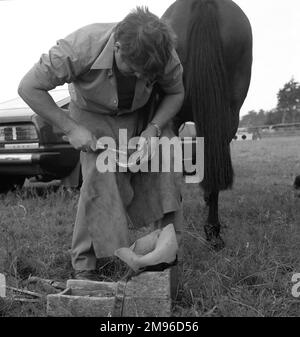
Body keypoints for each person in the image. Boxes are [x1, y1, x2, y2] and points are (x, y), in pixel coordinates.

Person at [18, 7, 185, 280]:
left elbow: (176, 92)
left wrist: (154, 128)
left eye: (148, 76)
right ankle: (85, 266)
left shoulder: (162, 53)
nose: (143, 79)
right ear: (117, 48)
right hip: (91, 116)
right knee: (99, 175)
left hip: (143, 116)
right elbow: (28, 86)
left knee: (167, 160)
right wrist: (71, 128)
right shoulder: (79, 47)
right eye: (135, 72)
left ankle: (166, 256)